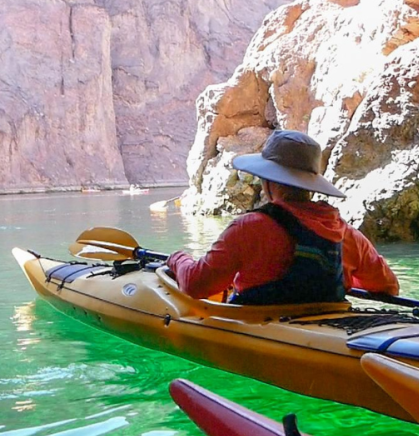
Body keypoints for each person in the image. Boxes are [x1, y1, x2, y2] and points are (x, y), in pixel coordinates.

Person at [167, 130, 399, 305]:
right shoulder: (345, 233)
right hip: (329, 329)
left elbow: (195, 286)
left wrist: (177, 259)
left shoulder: (248, 227)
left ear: (268, 181)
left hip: (262, 331)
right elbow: (389, 287)